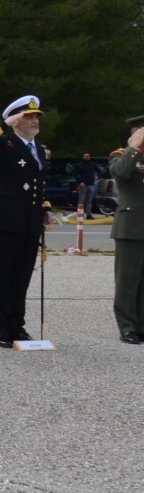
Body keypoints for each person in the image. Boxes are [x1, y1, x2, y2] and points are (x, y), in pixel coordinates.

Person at [0, 96, 52, 348]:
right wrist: (2, 124)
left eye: (37, 116)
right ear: (16, 120)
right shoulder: (3, 143)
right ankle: (0, 328)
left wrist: (45, 207)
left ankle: (17, 325)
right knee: (3, 276)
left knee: (21, 277)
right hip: (7, 220)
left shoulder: (38, 148)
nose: (35, 121)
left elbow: (38, 181)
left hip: (31, 220)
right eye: (29, 117)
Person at [110, 117, 144, 345]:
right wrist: (133, 148)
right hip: (131, 227)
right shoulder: (121, 155)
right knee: (128, 280)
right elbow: (121, 173)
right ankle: (128, 327)